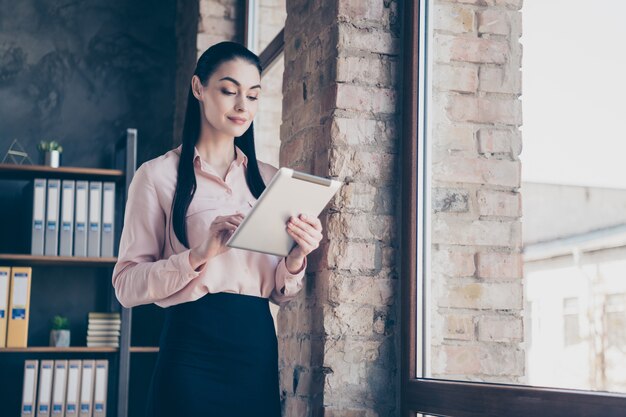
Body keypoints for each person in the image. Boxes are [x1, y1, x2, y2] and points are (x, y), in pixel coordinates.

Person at [111, 41, 323, 417]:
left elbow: (279, 293)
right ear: (198, 88)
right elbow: (126, 286)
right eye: (229, 91)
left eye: (253, 96)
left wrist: (295, 257)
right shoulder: (156, 176)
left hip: (255, 347)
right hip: (190, 349)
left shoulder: (271, 181)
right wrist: (198, 256)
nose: (243, 106)